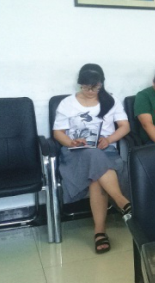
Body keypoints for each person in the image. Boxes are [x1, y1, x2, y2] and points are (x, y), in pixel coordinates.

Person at [52, 64, 132, 254]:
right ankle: (121, 201)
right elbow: (58, 133)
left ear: (101, 84)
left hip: (105, 150)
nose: (90, 91)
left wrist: (109, 139)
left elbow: (125, 126)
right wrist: (71, 142)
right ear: (80, 84)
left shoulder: (110, 100)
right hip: (75, 153)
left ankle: (100, 232)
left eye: (95, 87)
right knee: (93, 157)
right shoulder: (67, 103)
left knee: (96, 174)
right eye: (86, 87)